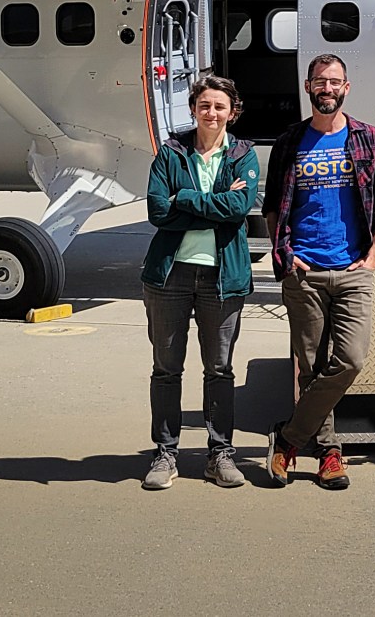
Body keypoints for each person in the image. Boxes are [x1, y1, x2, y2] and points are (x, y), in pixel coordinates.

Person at [262, 54, 375, 490]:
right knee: (311, 367)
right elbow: (272, 208)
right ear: (308, 87)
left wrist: (374, 255)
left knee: (351, 359)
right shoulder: (289, 142)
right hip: (305, 271)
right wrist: (285, 253)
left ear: (346, 88)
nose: (327, 88)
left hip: (353, 268)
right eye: (319, 81)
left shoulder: (370, 140)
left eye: (334, 82)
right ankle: (330, 454)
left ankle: (288, 439)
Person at [139, 76, 260, 490]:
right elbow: (157, 210)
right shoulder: (172, 151)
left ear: (233, 112)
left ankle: (220, 453)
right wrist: (214, 203)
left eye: (219, 106)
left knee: (220, 369)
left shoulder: (243, 155)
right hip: (170, 275)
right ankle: (165, 454)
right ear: (194, 109)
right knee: (166, 369)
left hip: (222, 277)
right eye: (204, 105)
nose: (211, 113)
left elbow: (238, 208)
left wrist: (185, 199)